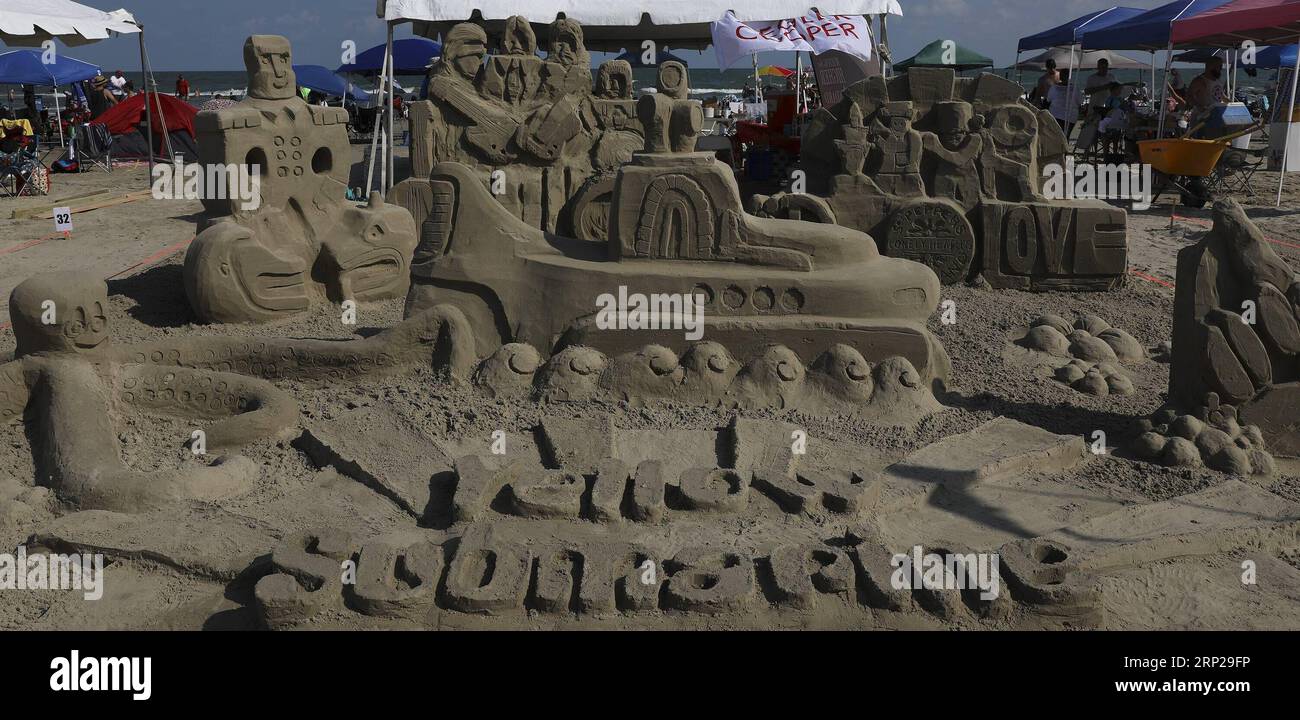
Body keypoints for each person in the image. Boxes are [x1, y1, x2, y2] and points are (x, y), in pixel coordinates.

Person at [1186, 56, 1227, 126]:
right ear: (1210, 66)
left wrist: (1234, 104)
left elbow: (1221, 96)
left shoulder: (1218, 81)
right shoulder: (1199, 81)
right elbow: (1189, 96)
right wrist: (1199, 107)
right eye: (1219, 66)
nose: (1221, 69)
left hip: (1216, 117)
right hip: (1201, 119)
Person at [1048, 69, 1081, 136]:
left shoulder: (1054, 87)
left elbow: (1049, 99)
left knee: (1060, 136)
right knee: (1064, 136)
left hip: (1061, 114)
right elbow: (1079, 101)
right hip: (1065, 115)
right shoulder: (1074, 88)